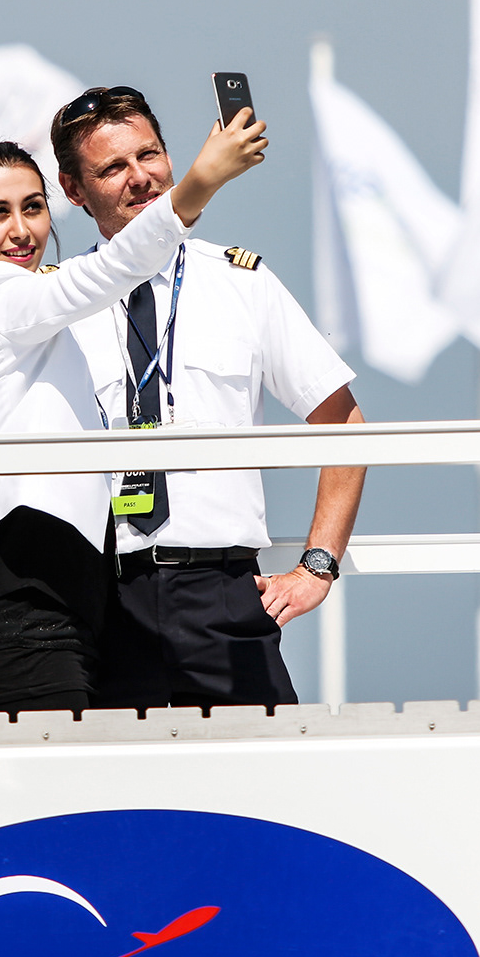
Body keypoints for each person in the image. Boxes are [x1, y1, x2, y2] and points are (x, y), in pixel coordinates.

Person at [0, 115, 266, 717]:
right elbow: (102, 273)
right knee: (48, 774)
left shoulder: (21, 310)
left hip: (61, 596)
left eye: (33, 208)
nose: (21, 230)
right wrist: (198, 185)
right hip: (13, 595)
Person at [51, 86, 369, 711]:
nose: (139, 178)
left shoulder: (240, 282)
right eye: (112, 168)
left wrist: (317, 566)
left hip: (221, 591)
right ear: (73, 189)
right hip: (96, 596)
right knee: (102, 776)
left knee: (264, 766)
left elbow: (343, 422)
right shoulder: (53, 297)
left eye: (149, 155)